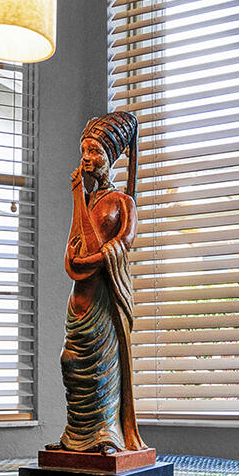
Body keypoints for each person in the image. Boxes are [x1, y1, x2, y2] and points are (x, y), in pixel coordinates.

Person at [49, 110, 147, 454]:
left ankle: (107, 435)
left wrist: (96, 258)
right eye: (84, 151)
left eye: (96, 152)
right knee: (69, 361)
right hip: (79, 302)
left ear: (112, 157)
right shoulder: (86, 199)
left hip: (105, 302)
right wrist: (78, 195)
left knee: (104, 369)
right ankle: (76, 436)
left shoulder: (123, 202)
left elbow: (123, 243)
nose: (88, 159)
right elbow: (74, 247)